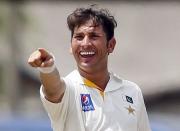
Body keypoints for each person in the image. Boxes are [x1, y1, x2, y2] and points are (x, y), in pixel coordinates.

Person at [28, 5, 151, 131]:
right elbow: (53, 90)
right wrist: (47, 68)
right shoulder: (69, 89)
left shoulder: (132, 91)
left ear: (111, 45)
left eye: (93, 36)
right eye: (79, 37)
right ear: (71, 46)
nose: (85, 44)